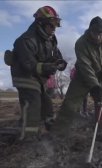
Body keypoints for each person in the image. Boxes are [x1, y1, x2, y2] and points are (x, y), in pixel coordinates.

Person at [5, 6, 67, 140]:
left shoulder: (50, 39)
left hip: (38, 78)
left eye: (56, 25)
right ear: (41, 23)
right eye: (51, 25)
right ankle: (28, 138)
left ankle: (50, 127)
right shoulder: (26, 40)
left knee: (47, 104)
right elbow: (29, 65)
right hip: (24, 76)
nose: (54, 29)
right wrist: (47, 67)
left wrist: (60, 62)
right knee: (33, 103)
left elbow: (56, 55)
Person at [55, 16, 102, 135]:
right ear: (90, 31)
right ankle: (58, 132)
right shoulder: (81, 43)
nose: (98, 36)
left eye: (101, 33)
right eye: (95, 33)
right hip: (82, 76)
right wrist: (94, 86)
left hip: (101, 76)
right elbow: (85, 66)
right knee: (70, 104)